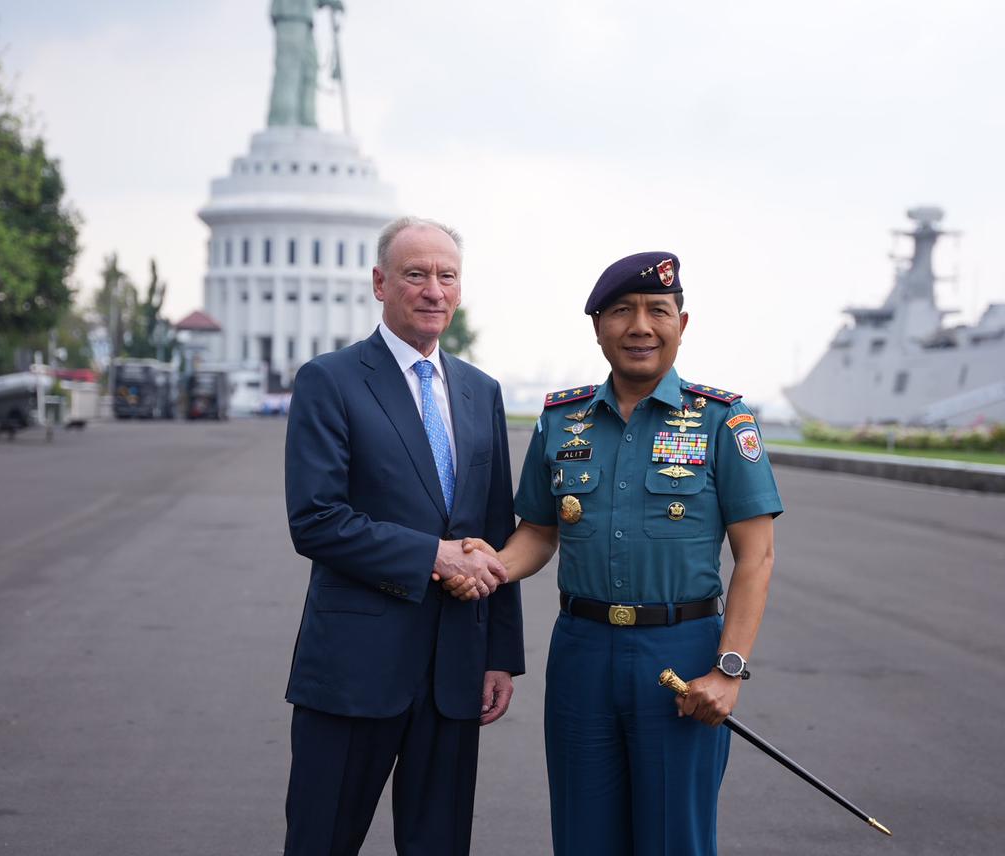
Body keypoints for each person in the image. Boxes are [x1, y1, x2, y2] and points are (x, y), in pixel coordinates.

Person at [452, 251, 782, 855]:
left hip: (682, 653)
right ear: (598, 326)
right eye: (622, 311)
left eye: (659, 311)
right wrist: (490, 564)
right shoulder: (562, 418)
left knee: (672, 839)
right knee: (582, 835)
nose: (640, 326)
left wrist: (728, 670)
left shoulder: (722, 421)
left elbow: (755, 557)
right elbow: (540, 532)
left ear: (683, 324)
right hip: (582, 651)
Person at [282, 216, 524, 855]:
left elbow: (496, 530)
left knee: (439, 844)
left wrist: (501, 653)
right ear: (380, 282)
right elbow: (316, 519)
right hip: (354, 670)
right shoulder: (329, 380)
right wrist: (433, 557)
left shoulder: (481, 391)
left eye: (447, 276)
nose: (433, 290)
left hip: (456, 671)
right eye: (416, 274)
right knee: (321, 840)